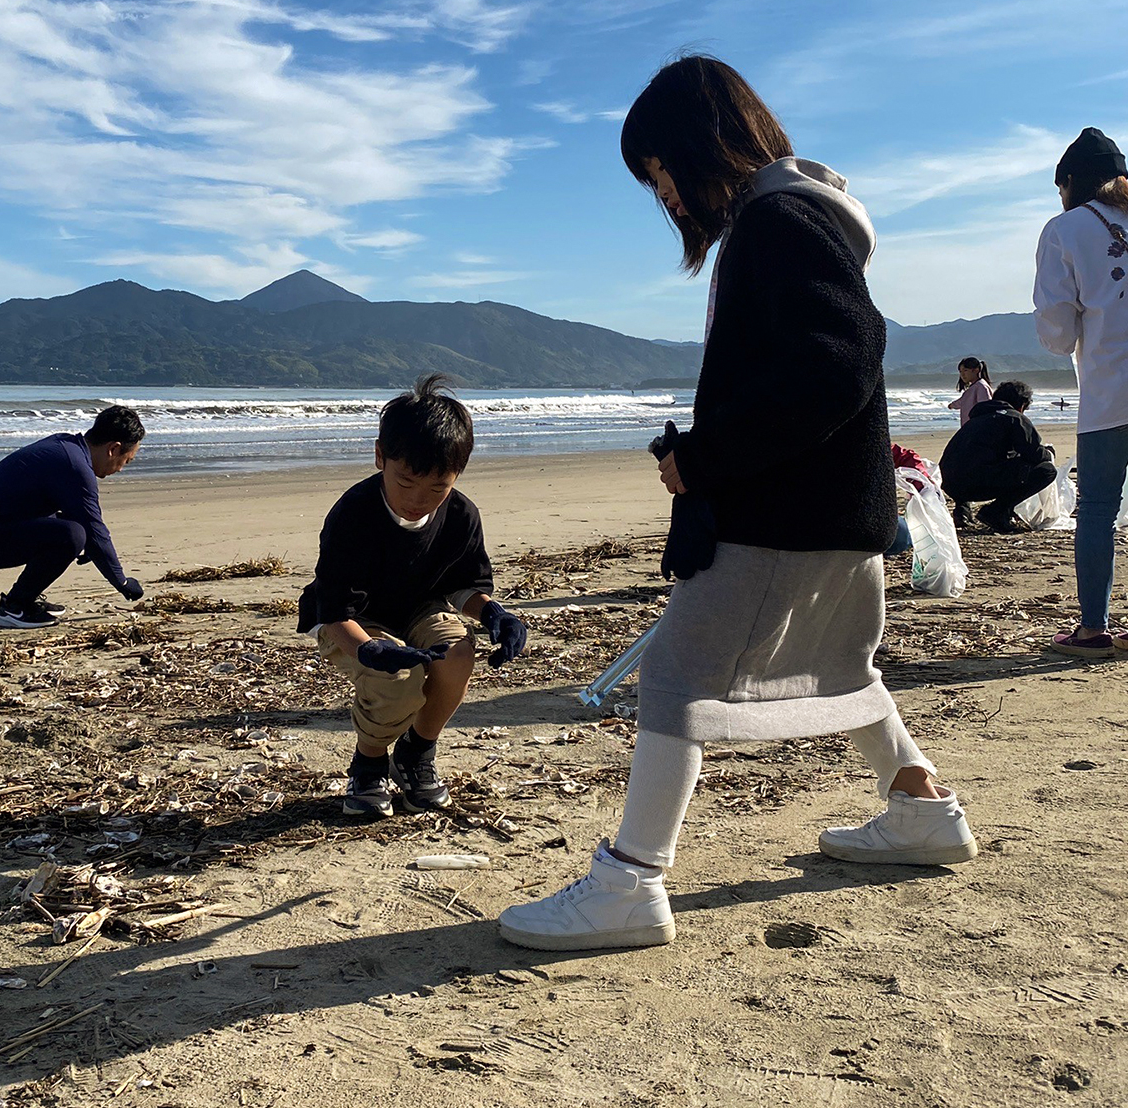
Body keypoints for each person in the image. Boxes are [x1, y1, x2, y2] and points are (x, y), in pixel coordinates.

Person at [498, 56, 976, 953]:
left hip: (785, 513)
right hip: (841, 506)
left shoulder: (775, 220)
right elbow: (828, 363)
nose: (664, 195)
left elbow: (838, 360)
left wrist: (706, 459)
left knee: (675, 678)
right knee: (845, 666)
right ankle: (920, 811)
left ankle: (630, 881)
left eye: (658, 172)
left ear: (695, 145)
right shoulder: (798, 216)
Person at [297, 374, 528, 817]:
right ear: (380, 456)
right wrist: (368, 651)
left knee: (459, 654)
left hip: (423, 608)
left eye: (437, 488)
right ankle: (367, 764)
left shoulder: (461, 513)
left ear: (457, 476)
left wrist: (495, 614)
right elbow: (333, 607)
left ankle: (416, 754)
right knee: (396, 681)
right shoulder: (353, 514)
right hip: (353, 618)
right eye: (405, 483)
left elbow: (464, 587)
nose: (419, 500)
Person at [1034, 126, 1128, 659]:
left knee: (1097, 509)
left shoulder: (1066, 229)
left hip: (1111, 392)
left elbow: (1057, 333)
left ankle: (1093, 629)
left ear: (1069, 182)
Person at [0, 406, 146, 629]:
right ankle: (15, 607)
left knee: (74, 531)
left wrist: (91, 546)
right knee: (72, 535)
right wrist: (121, 581)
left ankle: (26, 599)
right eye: (127, 460)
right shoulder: (75, 467)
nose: (122, 469)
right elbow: (94, 528)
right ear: (113, 449)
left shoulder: (67, 446)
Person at [938, 381, 1057, 535]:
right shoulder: (1015, 418)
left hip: (949, 484)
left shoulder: (976, 419)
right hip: (977, 483)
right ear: (1021, 405)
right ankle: (996, 510)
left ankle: (964, 510)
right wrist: (1049, 452)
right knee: (1046, 470)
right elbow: (1034, 454)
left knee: (975, 460)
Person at [948, 357, 993, 426]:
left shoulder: (981, 386)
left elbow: (985, 407)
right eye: (960, 372)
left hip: (977, 427)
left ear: (976, 370)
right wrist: (952, 405)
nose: (962, 375)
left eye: (965, 370)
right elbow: (963, 401)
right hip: (969, 426)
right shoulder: (973, 387)